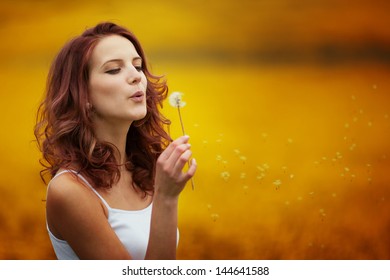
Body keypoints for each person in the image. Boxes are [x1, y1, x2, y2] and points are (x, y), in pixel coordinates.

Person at [34, 22, 197, 260]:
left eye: (138, 65)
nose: (136, 77)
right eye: (113, 70)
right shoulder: (70, 191)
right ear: (83, 96)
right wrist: (166, 198)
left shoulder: (143, 172)